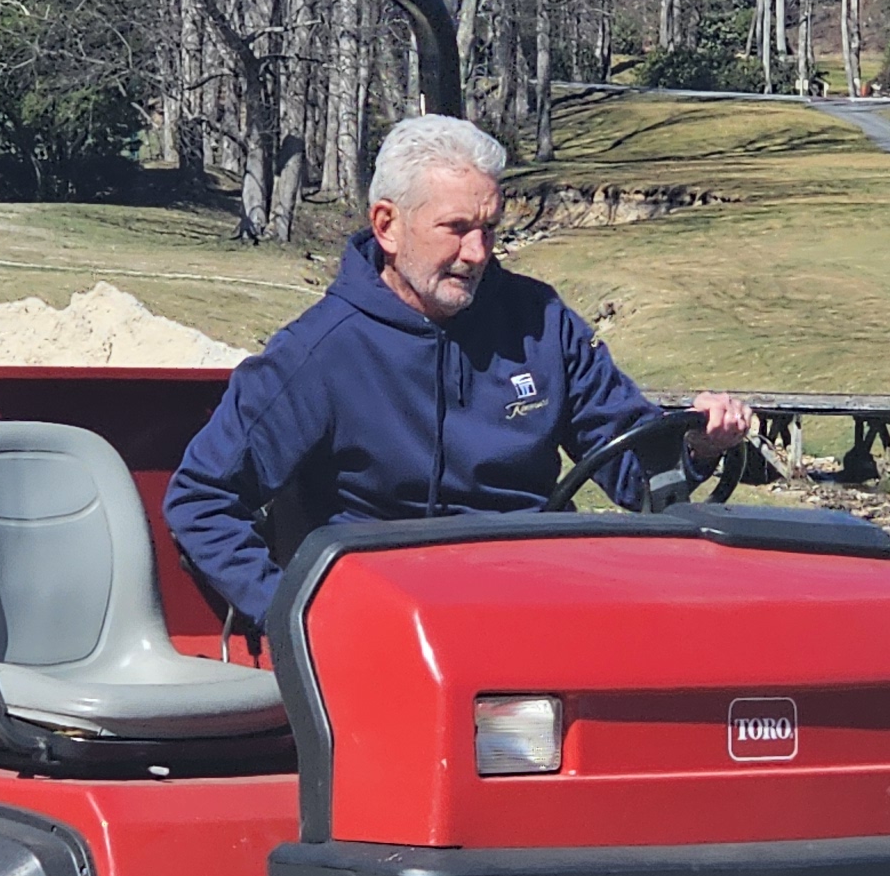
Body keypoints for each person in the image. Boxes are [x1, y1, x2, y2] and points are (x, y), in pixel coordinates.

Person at [164, 112, 756, 626]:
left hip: (535, 599)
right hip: (386, 614)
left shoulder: (539, 322)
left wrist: (696, 446)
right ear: (387, 225)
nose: (478, 253)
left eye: (490, 229)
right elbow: (201, 499)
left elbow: (632, 472)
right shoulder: (320, 353)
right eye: (456, 229)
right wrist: (290, 617)